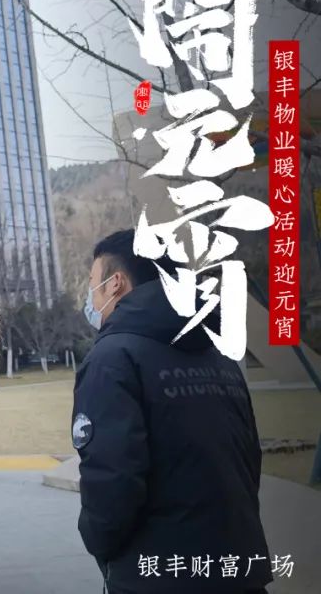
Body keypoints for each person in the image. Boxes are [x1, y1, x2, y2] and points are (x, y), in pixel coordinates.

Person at [74, 229, 270, 594]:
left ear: (116, 283)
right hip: (240, 570)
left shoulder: (112, 359)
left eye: (93, 283)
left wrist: (101, 544)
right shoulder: (218, 353)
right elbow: (248, 460)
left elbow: (112, 480)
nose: (91, 295)